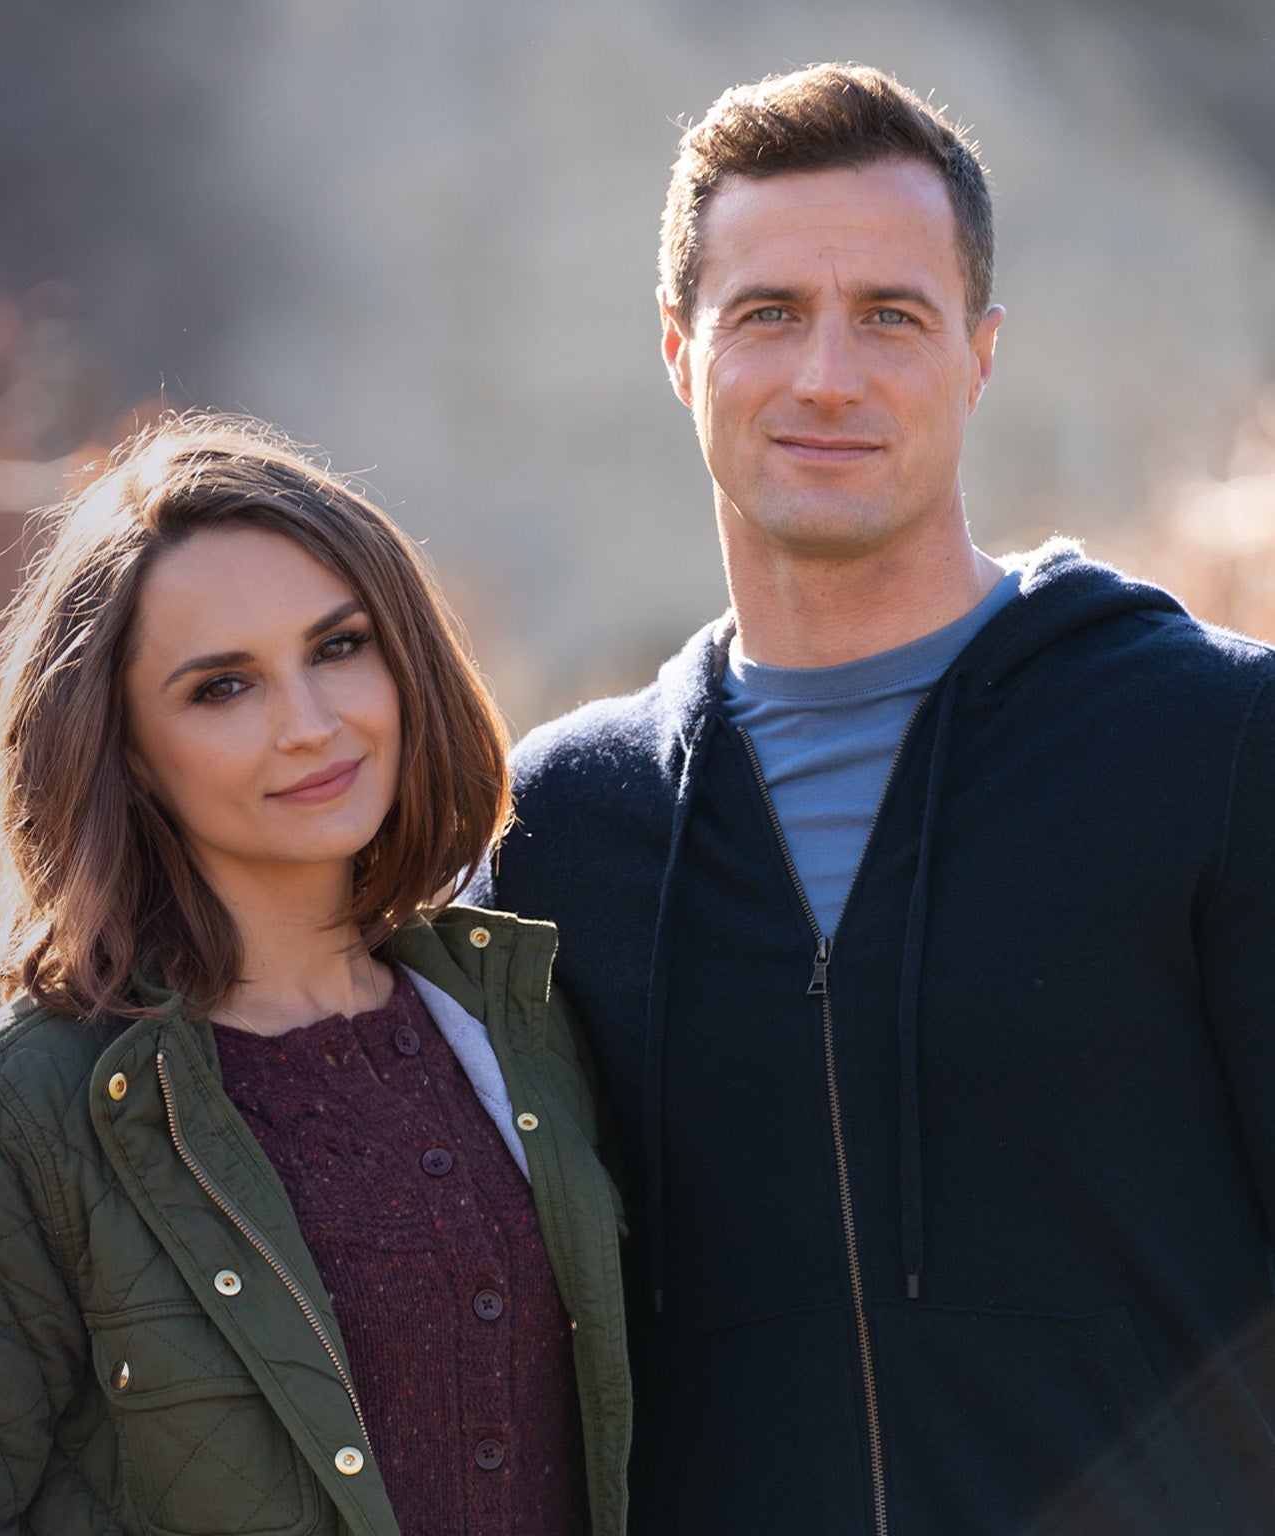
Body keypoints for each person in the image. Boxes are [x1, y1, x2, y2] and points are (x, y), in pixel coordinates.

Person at [475, 63, 1275, 1536]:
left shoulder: (1219, 743)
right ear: (678, 351)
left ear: (978, 356)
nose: (827, 376)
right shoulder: (559, 833)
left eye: (891, 316)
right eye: (768, 312)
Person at [0, 417, 631, 1536]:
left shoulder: (522, 1025)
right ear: (125, 750)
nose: (310, 726)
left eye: (337, 647)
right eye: (221, 689)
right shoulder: (15, 1120)